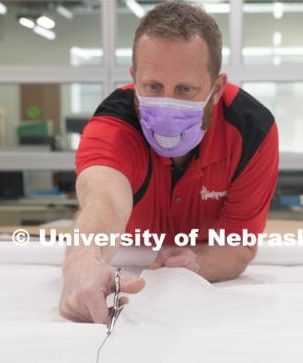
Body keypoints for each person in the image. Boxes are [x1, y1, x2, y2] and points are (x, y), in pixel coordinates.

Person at [59, 1, 279, 323]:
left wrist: (197, 262)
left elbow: (238, 247)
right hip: (130, 265)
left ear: (216, 88)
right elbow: (104, 198)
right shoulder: (114, 124)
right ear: (134, 79)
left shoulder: (252, 131)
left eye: (185, 89)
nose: (167, 104)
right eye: (153, 87)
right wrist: (82, 261)